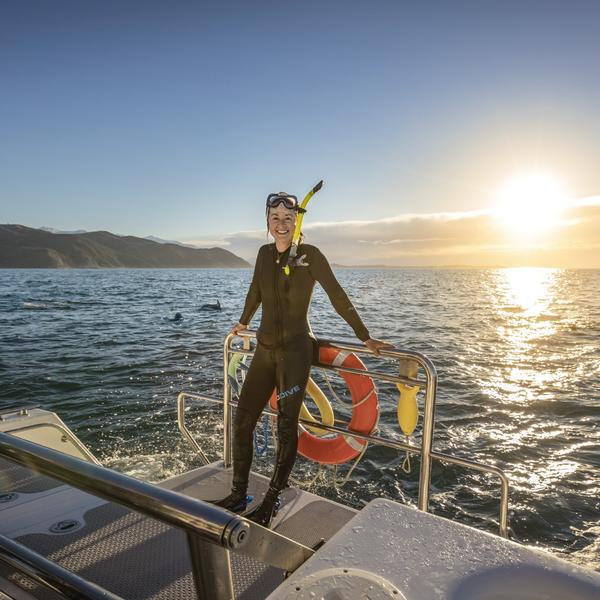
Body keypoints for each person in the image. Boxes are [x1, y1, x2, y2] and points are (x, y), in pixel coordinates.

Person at [215, 191, 393, 526]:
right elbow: (255, 290)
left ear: (297, 221)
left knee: (286, 426)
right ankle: (239, 495)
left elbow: (337, 295)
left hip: (295, 353)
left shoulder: (310, 256)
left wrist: (364, 336)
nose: (281, 225)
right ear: (267, 223)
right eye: (275, 219)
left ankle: (273, 498)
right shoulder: (264, 254)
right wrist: (243, 321)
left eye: (287, 219)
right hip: (265, 350)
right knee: (242, 422)